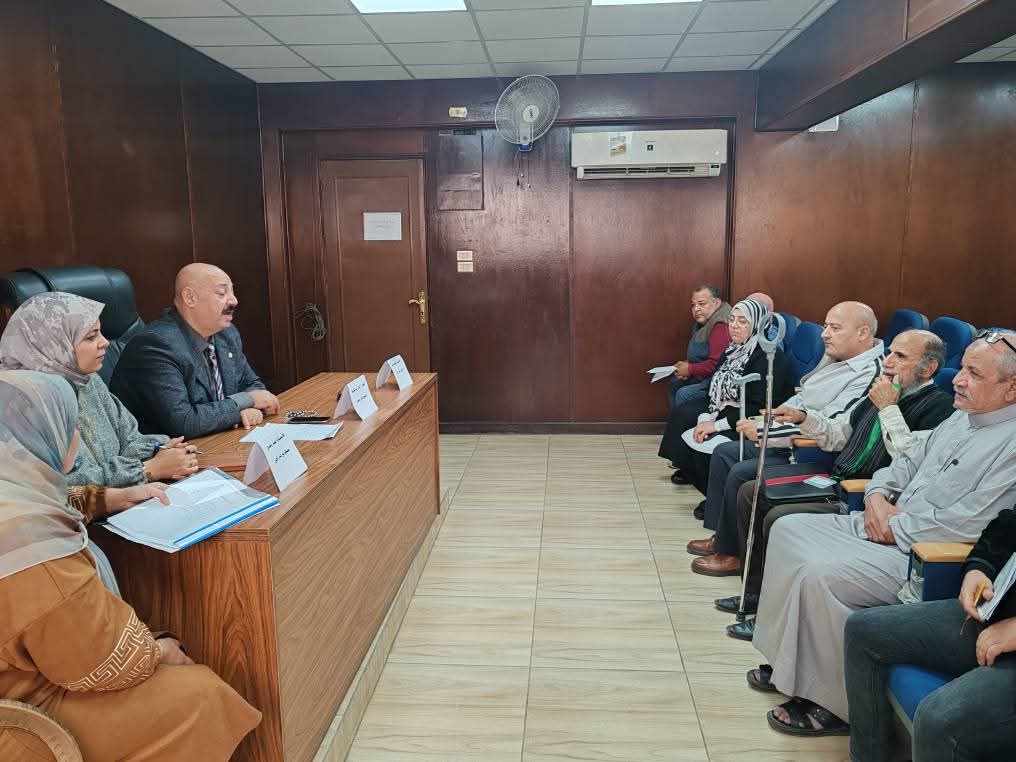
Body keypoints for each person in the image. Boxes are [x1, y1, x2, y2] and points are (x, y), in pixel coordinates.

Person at [749, 330, 1016, 737]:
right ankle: (790, 666)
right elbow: (905, 461)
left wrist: (892, 525)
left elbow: (969, 523)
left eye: (973, 374)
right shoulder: (961, 417)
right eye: (962, 368)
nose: (958, 380)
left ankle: (835, 703)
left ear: (1011, 388)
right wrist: (876, 495)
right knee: (786, 528)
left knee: (819, 574)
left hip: (923, 554)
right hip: (885, 523)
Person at [0, 370, 261, 760]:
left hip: (23, 675)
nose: (78, 436)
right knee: (198, 695)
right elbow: (97, 657)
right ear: (43, 435)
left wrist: (113, 497)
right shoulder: (33, 545)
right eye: (70, 425)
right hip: (27, 711)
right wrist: (159, 650)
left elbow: (64, 497)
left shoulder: (14, 488)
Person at [721, 330, 955, 639]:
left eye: (900, 356)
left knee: (777, 516)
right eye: (890, 353)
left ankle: (769, 615)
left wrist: (888, 408)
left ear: (928, 368)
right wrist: (803, 417)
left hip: (862, 496)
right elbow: (839, 434)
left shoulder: (939, 408)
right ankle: (755, 596)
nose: (888, 361)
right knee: (752, 491)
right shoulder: (879, 393)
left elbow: (910, 459)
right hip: (834, 478)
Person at [687, 301, 884, 559]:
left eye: (834, 328)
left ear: (863, 332)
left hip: (815, 452)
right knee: (725, 452)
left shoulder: (869, 373)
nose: (824, 334)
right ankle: (722, 537)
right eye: (825, 326)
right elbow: (801, 399)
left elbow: (834, 430)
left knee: (739, 470)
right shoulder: (838, 357)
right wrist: (766, 422)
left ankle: (731, 552)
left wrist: (765, 433)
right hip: (795, 436)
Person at [844, 504, 1016, 762]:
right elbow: (1007, 525)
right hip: (993, 612)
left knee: (936, 720)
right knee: (862, 631)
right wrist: (979, 567)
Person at [0, 292, 199, 487]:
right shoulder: (20, 405)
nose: (105, 342)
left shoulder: (87, 379)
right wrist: (145, 470)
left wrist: (159, 450)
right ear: (53, 345)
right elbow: (60, 489)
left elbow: (129, 439)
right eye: (91, 337)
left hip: (131, 498)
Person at [111, 263, 280, 439]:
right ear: (190, 298)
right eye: (222, 293)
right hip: (167, 450)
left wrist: (243, 407)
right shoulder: (156, 345)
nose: (234, 301)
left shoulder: (226, 334)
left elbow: (254, 386)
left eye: (232, 292)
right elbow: (184, 422)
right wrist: (245, 403)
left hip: (220, 440)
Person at [661, 300, 794, 495]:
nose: (734, 326)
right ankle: (702, 484)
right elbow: (715, 389)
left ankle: (715, 496)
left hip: (752, 417)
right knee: (690, 423)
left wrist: (715, 425)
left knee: (708, 442)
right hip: (728, 408)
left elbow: (757, 405)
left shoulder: (769, 358)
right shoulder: (732, 350)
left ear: (758, 324)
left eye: (742, 321)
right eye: (732, 320)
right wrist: (706, 418)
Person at [667, 285, 732, 410]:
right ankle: (677, 421)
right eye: (693, 305)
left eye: (702, 304)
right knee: (674, 383)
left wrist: (690, 369)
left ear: (717, 303)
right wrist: (686, 366)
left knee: (683, 394)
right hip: (704, 375)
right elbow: (704, 354)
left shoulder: (720, 325)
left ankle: (687, 422)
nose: (696, 309)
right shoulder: (704, 322)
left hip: (717, 380)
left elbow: (716, 364)